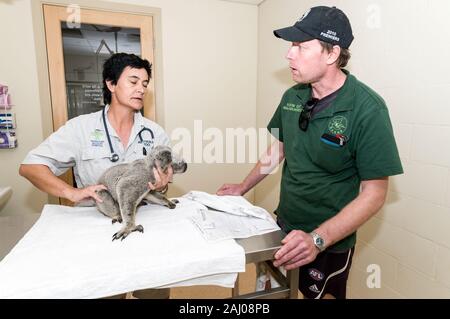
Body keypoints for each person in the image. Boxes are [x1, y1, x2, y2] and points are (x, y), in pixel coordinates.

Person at [217, 6, 403, 299]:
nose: (289, 54)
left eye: (301, 47)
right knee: (274, 292)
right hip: (284, 225)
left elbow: (375, 192)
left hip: (328, 240)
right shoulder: (293, 96)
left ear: (331, 54)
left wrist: (317, 240)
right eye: (292, 46)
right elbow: (278, 148)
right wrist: (242, 187)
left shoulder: (368, 109)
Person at [19, 53, 172, 299]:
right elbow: (30, 166)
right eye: (133, 82)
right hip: (98, 226)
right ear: (110, 84)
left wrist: (162, 185)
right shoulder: (80, 129)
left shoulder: (155, 133)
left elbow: (162, 181)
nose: (141, 89)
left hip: (146, 223)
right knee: (106, 292)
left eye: (144, 84)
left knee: (154, 292)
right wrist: (71, 192)